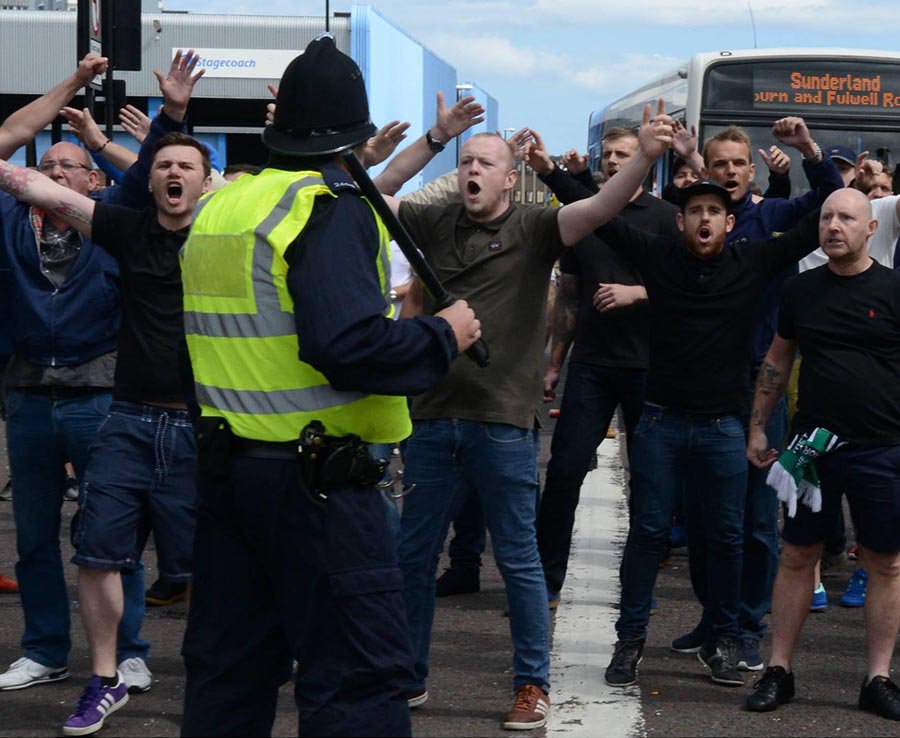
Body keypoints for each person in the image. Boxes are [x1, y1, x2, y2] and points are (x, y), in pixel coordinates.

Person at [177, 36, 484, 737]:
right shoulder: (329, 206)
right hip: (319, 486)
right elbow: (346, 346)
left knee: (228, 673)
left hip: (229, 478)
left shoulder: (225, 208)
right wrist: (445, 334)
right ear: (357, 131)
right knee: (355, 682)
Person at [388, 103, 674, 729]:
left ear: (509, 176)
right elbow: (375, 191)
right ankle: (406, 675)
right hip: (434, 420)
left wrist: (648, 156)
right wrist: (435, 137)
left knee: (517, 560)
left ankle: (531, 685)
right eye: (465, 162)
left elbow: (597, 210)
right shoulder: (432, 220)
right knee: (412, 558)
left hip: (503, 422)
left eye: (485, 163)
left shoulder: (536, 226)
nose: (471, 171)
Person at [0, 51, 206, 736]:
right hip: (67, 403)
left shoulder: (190, 226)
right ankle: (76, 666)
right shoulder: (75, 226)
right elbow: (28, 179)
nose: (56, 175)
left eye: (71, 167)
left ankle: (180, 662)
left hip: (151, 411)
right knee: (80, 546)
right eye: (46, 166)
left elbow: (164, 171)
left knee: (187, 556)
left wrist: (171, 117)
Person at [601, 174, 827, 689]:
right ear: (681, 221)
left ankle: (723, 641)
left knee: (728, 538)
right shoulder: (658, 257)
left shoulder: (752, 260)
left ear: (729, 223)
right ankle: (629, 640)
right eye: (695, 210)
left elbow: (815, 225)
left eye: (713, 212)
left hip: (724, 426)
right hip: (660, 421)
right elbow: (599, 219)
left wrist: (815, 160)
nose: (704, 218)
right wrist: (551, 172)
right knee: (647, 534)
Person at [667, 119, 843, 672]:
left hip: (763, 389)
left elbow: (828, 201)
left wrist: (810, 150)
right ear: (707, 171)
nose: (729, 173)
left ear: (752, 168)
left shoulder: (771, 217)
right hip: (704, 386)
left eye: (738, 164)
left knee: (757, 518)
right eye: (719, 165)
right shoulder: (698, 222)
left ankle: (747, 627)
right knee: (702, 517)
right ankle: (712, 616)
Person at [744, 188, 900, 722]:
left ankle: (878, 679)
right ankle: (778, 671)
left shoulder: (896, 288)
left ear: (870, 229)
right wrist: (759, 427)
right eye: (827, 217)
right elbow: (777, 359)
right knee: (796, 557)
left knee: (886, 564)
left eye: (847, 218)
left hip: (883, 449)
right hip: (812, 449)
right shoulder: (801, 290)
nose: (834, 226)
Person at [524, 127, 679, 605]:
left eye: (623, 154)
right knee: (565, 470)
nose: (613, 161)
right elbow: (568, 297)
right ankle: (546, 583)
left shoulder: (667, 217)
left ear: (645, 160)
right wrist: (554, 363)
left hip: (650, 365)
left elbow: (690, 289)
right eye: (607, 154)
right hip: (591, 364)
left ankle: (640, 588)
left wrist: (639, 294)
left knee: (649, 481)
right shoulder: (584, 216)